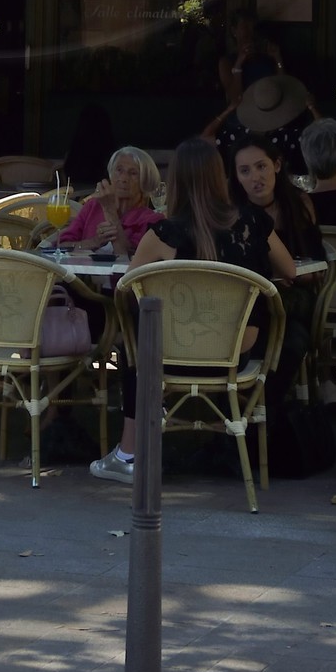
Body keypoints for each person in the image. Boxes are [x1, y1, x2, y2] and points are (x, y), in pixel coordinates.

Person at [89, 135, 295, 485]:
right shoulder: (254, 223)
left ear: (177, 181)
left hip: (175, 355)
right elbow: (289, 272)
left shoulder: (163, 234)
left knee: (134, 340)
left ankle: (130, 454)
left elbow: (127, 289)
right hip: (236, 353)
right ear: (221, 176)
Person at [53, 147, 163, 257]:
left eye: (133, 173)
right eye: (119, 170)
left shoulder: (152, 220)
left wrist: (109, 211)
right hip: (79, 274)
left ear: (145, 180)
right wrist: (94, 242)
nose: (123, 178)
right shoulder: (93, 206)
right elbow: (61, 246)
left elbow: (127, 258)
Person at [232, 136, 322, 264]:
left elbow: (317, 259)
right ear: (237, 177)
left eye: (261, 166)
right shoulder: (232, 213)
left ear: (277, 165)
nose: (255, 177)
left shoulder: (298, 202)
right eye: (245, 171)